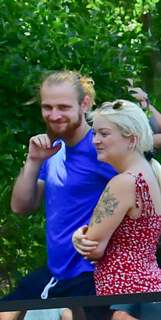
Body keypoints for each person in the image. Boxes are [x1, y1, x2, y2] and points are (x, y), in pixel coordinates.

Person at [8, 71, 117, 299]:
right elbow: (21, 207)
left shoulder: (101, 148)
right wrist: (34, 159)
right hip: (58, 271)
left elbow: (143, 196)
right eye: (47, 107)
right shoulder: (52, 149)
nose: (54, 115)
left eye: (63, 107)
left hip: (92, 273)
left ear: (84, 104)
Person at [69, 100, 161, 295]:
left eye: (104, 134)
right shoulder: (148, 175)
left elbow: (92, 249)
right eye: (94, 133)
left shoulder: (123, 182)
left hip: (126, 294)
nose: (95, 140)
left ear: (132, 139)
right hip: (150, 288)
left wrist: (77, 236)